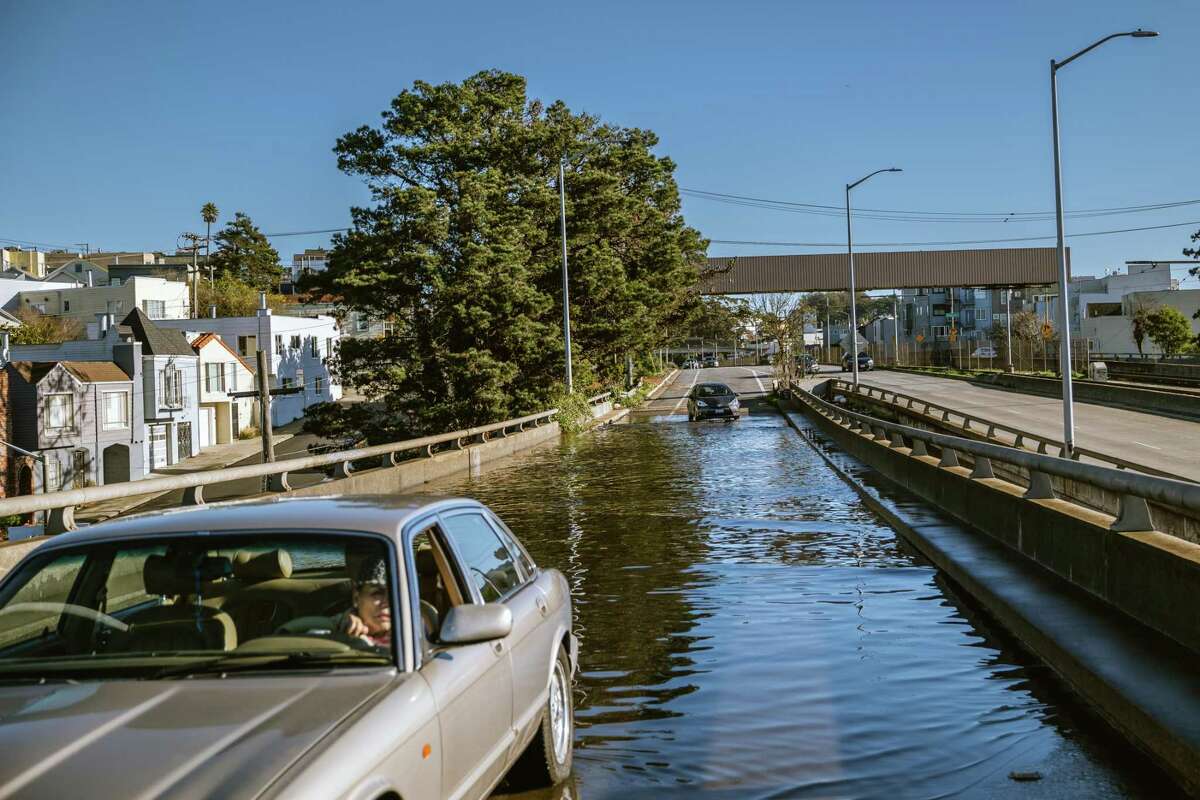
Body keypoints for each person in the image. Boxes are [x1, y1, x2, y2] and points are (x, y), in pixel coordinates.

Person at [339, 555, 392, 648]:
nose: (387, 603)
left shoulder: (416, 630)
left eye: (395, 594)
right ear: (356, 597)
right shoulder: (335, 629)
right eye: (377, 593)